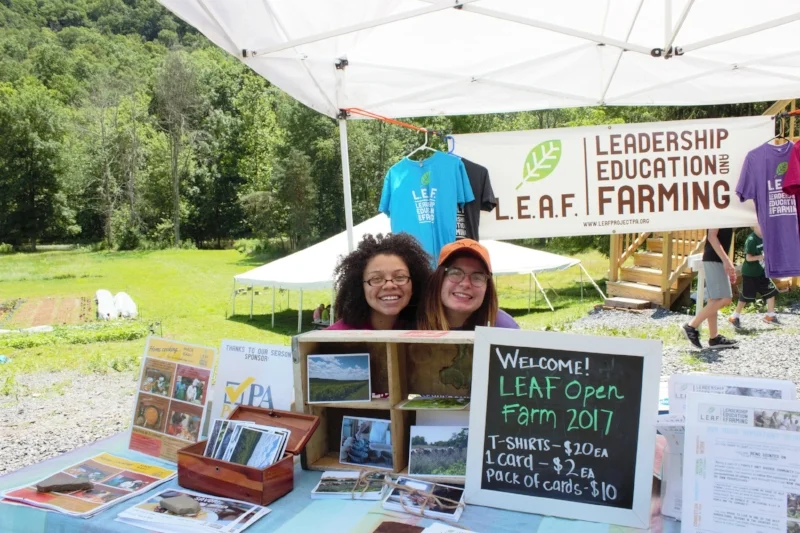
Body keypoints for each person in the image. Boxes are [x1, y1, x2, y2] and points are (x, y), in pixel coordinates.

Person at [327, 233, 432, 330]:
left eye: (400, 277)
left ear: (414, 284)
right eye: (376, 279)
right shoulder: (335, 339)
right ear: (360, 288)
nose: (389, 285)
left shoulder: (426, 330)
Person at [417, 239, 519, 330]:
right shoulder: (412, 322)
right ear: (439, 279)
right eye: (456, 273)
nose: (465, 284)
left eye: (477, 277)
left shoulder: (505, 329)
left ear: (488, 288)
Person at [681, 228, 738, 349]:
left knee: (715, 299)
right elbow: (712, 237)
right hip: (714, 258)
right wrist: (726, 261)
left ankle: (714, 338)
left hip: (716, 259)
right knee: (725, 298)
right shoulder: (717, 212)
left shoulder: (725, 212)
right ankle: (691, 326)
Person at [728, 225, 779, 328]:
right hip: (750, 274)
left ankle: (770, 315)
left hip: (761, 272)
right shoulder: (751, 240)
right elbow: (748, 258)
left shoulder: (764, 237)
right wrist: (761, 257)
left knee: (771, 291)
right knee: (745, 297)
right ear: (754, 227)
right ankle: (734, 317)